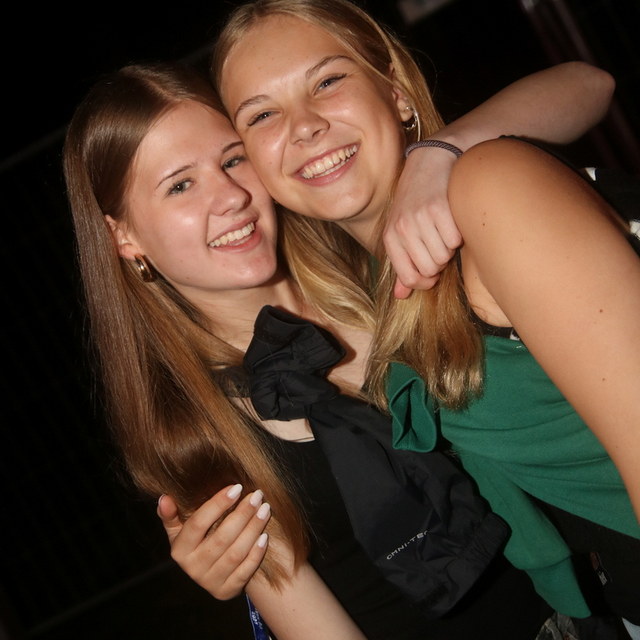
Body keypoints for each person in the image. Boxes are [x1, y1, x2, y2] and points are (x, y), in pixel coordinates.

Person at [63, 57, 620, 638]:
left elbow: (589, 84)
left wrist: (438, 154)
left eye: (232, 160)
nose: (229, 196)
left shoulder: (382, 253)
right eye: (180, 185)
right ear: (123, 235)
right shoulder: (199, 434)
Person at [207, 0, 640, 635]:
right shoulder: (373, 289)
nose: (303, 126)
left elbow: (590, 82)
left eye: (327, 81)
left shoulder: (488, 185)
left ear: (397, 93)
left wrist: (440, 150)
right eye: (262, 115)